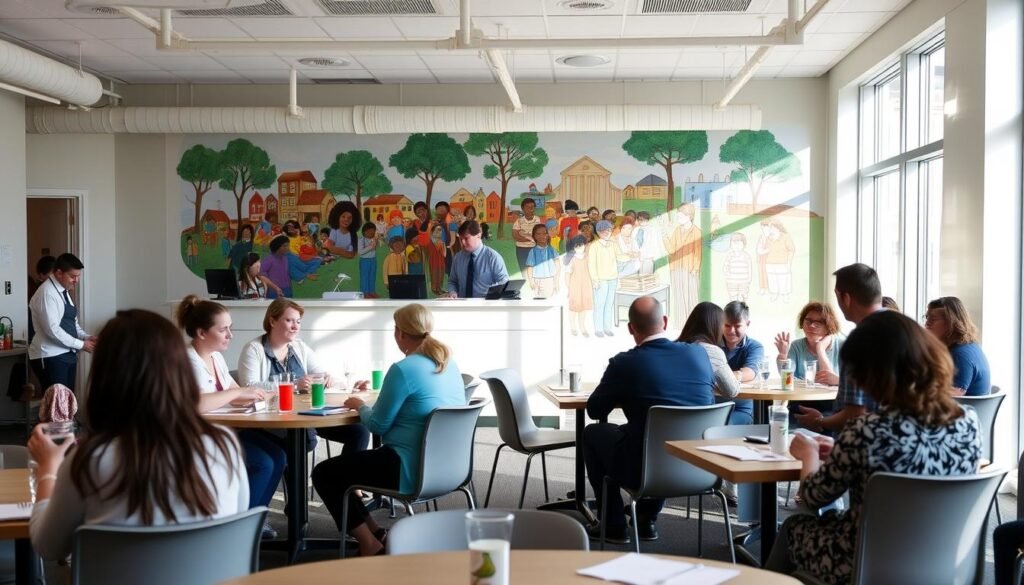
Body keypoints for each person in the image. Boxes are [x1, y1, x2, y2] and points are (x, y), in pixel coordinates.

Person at [765, 311, 982, 583]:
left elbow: (813, 497)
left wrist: (809, 455)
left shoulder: (865, 432)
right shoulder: (969, 423)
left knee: (793, 527)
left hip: (866, 562)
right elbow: (913, 458)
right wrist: (843, 451)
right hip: (945, 560)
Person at [27, 309, 249, 561]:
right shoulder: (224, 445)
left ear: (104, 375)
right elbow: (235, 522)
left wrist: (48, 468)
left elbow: (48, 547)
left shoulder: (89, 461)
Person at [311, 303, 465, 556]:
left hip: (407, 467)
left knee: (326, 473)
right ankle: (376, 532)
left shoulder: (403, 369)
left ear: (400, 333)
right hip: (449, 467)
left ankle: (369, 544)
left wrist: (360, 406)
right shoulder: (448, 363)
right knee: (344, 470)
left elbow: (377, 425)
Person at [584, 296, 715, 544]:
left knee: (594, 433)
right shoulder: (699, 355)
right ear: (664, 322)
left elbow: (594, 409)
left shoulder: (625, 363)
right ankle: (645, 520)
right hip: (701, 468)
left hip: (646, 471)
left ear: (631, 328)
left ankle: (613, 525)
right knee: (658, 437)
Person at [176, 295, 283, 539]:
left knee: (279, 455)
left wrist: (259, 395)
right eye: (223, 330)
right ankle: (237, 531)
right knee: (262, 462)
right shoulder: (186, 361)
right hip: (198, 439)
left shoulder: (216, 358)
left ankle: (255, 518)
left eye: (230, 328)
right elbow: (196, 403)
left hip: (224, 431)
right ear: (202, 333)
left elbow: (233, 393)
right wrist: (238, 392)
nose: (230, 335)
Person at [237, 298, 370, 456]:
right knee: (305, 440)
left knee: (360, 431)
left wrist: (351, 384)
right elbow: (248, 387)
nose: (295, 327)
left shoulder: (299, 347)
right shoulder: (254, 349)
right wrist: (294, 385)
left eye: (298, 322)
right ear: (272, 321)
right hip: (272, 419)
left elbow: (322, 375)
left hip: (307, 415)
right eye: (289, 321)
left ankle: (342, 479)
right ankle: (308, 478)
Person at [795, 263, 884, 433]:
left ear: (845, 298)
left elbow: (855, 415)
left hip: (872, 443)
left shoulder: (859, 342)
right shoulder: (909, 329)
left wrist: (820, 420)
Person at [28, 253, 97, 393]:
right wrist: (82, 344)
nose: (76, 280)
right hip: (50, 356)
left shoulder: (63, 291)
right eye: (72, 276)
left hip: (67, 353)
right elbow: (52, 330)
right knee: (57, 406)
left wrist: (85, 337)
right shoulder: (47, 293)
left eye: (78, 276)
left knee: (67, 403)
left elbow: (72, 322)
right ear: (59, 273)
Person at [924, 296, 991, 396]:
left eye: (933, 319)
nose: (927, 323)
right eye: (927, 317)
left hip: (964, 410)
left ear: (951, 323)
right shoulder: (967, 346)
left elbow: (954, 394)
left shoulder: (960, 354)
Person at [677, 302, 739, 402]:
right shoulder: (712, 352)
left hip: (670, 414)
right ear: (716, 327)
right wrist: (738, 376)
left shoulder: (674, 347)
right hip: (702, 415)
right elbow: (732, 391)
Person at [720, 301, 763, 425]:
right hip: (711, 405)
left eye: (737, 326)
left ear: (747, 324)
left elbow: (750, 372)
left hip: (740, 408)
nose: (732, 331)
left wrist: (723, 377)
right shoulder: (712, 344)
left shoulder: (755, 347)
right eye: (727, 325)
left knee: (721, 425)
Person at [446, 220, 509, 299]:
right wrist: (452, 292)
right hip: (462, 306)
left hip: (486, 306)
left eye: (466, 238)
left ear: (478, 236)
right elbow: (452, 281)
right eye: (461, 239)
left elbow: (504, 282)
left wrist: (491, 293)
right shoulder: (458, 258)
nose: (463, 243)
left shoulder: (493, 257)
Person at [588, 220, 618, 337]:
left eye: (610, 230)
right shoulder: (594, 246)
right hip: (601, 279)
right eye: (605, 230)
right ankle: (598, 329)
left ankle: (607, 328)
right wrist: (595, 280)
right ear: (599, 232)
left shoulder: (612, 244)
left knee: (609, 304)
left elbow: (619, 258)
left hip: (612, 278)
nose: (608, 232)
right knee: (599, 304)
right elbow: (591, 264)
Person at [525, 224, 560, 298]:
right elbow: (530, 267)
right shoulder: (533, 251)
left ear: (547, 235)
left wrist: (556, 281)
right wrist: (531, 281)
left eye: (544, 233)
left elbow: (558, 266)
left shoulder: (551, 250)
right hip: (537, 280)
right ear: (534, 236)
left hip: (550, 280)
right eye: (538, 234)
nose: (542, 236)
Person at [27, 255, 55, 342]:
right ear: (42, 275)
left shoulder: (56, 290)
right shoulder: (41, 292)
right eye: (52, 274)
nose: (57, 277)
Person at [512, 197, 540, 274]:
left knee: (535, 270)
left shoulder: (538, 220)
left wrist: (524, 235)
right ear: (523, 209)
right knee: (524, 270)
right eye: (528, 207)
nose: (531, 209)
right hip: (522, 249)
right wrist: (530, 238)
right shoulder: (519, 221)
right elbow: (515, 236)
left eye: (532, 207)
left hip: (535, 249)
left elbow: (540, 235)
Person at [358, 223, 380, 298]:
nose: (372, 233)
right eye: (370, 231)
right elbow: (360, 252)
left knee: (372, 276)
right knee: (364, 277)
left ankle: (372, 291)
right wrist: (371, 247)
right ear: (365, 232)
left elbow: (378, 246)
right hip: (364, 261)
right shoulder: (361, 240)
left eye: (373, 231)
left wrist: (377, 241)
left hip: (373, 260)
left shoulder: (373, 239)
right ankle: (365, 292)